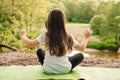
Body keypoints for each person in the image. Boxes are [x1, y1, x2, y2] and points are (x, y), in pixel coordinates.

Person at [20, 8, 91, 74]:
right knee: (80, 56)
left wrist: (23, 36)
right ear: (63, 22)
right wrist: (86, 38)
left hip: (48, 70)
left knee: (40, 51)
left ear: (49, 22)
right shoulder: (68, 36)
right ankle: (62, 63)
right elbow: (82, 48)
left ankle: (53, 64)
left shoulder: (45, 35)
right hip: (65, 70)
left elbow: (30, 43)